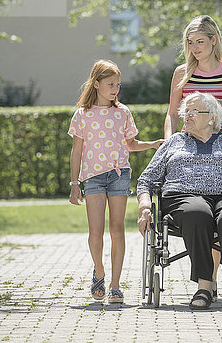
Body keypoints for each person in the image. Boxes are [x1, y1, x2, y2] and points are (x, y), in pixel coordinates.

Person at [138, 92, 222, 310]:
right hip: (184, 196)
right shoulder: (174, 142)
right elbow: (146, 179)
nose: (187, 115)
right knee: (197, 213)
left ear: (212, 117)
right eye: (186, 111)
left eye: (194, 111)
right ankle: (204, 286)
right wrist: (145, 206)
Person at [164, 15, 222, 300]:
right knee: (199, 208)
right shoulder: (182, 74)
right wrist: (169, 143)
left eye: (200, 42)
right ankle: (208, 281)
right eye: (190, 43)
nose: (194, 48)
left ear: (214, 40)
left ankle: (215, 281)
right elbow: (172, 113)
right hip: (191, 149)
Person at [68, 59, 163, 304]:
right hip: (92, 178)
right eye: (110, 84)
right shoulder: (83, 114)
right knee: (96, 232)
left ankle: (115, 285)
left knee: (117, 229)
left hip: (119, 174)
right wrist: (74, 183)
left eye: (118, 85)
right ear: (96, 84)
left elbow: (130, 144)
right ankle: (99, 271)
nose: (115, 89)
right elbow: (76, 151)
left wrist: (151, 144)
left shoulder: (123, 113)